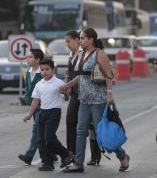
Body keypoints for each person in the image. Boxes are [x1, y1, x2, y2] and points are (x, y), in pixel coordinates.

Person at [61, 28, 129, 173]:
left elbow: (109, 75)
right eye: (79, 38)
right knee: (80, 131)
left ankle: (123, 156)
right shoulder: (81, 53)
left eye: (83, 38)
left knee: (101, 133)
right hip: (84, 99)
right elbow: (82, 76)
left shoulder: (99, 53)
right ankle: (78, 163)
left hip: (98, 100)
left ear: (91, 39)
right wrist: (67, 85)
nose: (80, 41)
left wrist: (109, 95)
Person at [23, 58, 72, 171]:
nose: (44, 72)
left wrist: (64, 92)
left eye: (47, 69)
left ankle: (66, 154)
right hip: (42, 112)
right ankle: (47, 163)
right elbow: (35, 100)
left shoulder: (58, 83)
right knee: (41, 139)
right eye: (42, 69)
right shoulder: (39, 84)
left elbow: (66, 98)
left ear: (52, 70)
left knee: (49, 137)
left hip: (54, 112)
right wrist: (30, 115)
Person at [64, 30, 101, 165]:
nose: (67, 44)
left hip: (88, 94)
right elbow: (73, 75)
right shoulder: (72, 55)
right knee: (73, 124)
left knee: (92, 127)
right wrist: (67, 88)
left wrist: (108, 93)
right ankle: (72, 154)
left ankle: (96, 155)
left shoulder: (86, 54)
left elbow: (107, 75)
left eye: (69, 41)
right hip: (76, 93)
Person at [18, 48, 50, 165]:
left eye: (30, 57)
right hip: (33, 105)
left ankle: (29, 156)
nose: (28, 58)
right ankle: (51, 154)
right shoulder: (28, 71)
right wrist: (27, 99)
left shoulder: (42, 72)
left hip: (42, 106)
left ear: (37, 59)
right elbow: (27, 88)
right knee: (46, 132)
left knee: (37, 130)